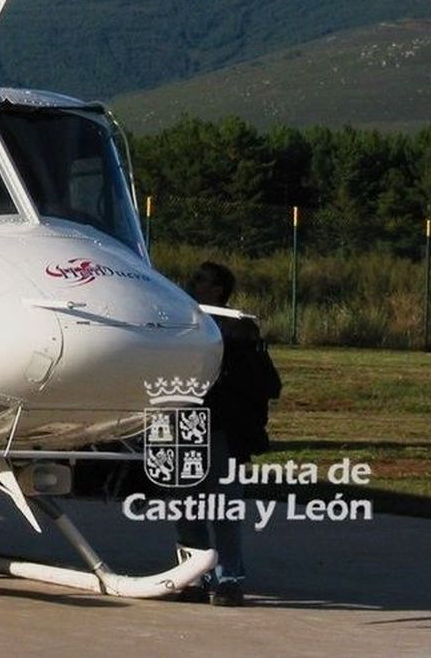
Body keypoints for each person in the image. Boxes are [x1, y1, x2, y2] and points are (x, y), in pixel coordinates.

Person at [176, 260, 283, 607]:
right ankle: (192, 576)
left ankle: (229, 580)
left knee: (222, 508)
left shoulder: (236, 329)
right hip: (181, 425)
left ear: (218, 290)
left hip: (220, 428)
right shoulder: (179, 320)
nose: (192, 284)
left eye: (201, 280)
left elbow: (260, 381)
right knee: (185, 506)